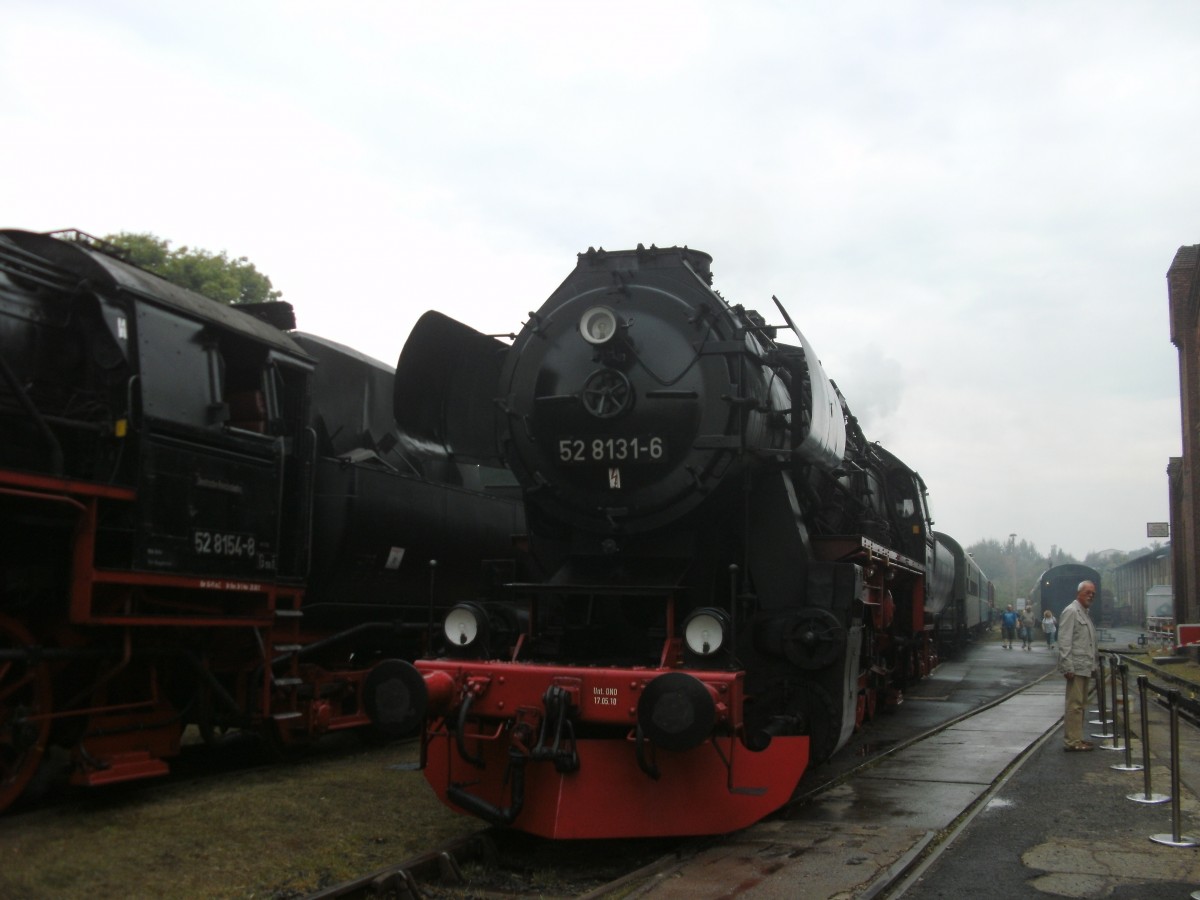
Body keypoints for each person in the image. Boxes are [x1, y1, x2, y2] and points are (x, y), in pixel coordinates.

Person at [1058, 581, 1099, 751]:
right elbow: (1064, 640)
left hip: (1085, 666)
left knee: (1080, 705)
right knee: (1074, 705)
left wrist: (1093, 665)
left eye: (1093, 594)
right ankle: (1072, 742)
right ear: (1078, 593)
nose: (1090, 595)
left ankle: (1077, 738)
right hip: (1076, 667)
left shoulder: (1084, 613)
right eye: (1087, 592)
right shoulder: (1071, 611)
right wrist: (1067, 666)